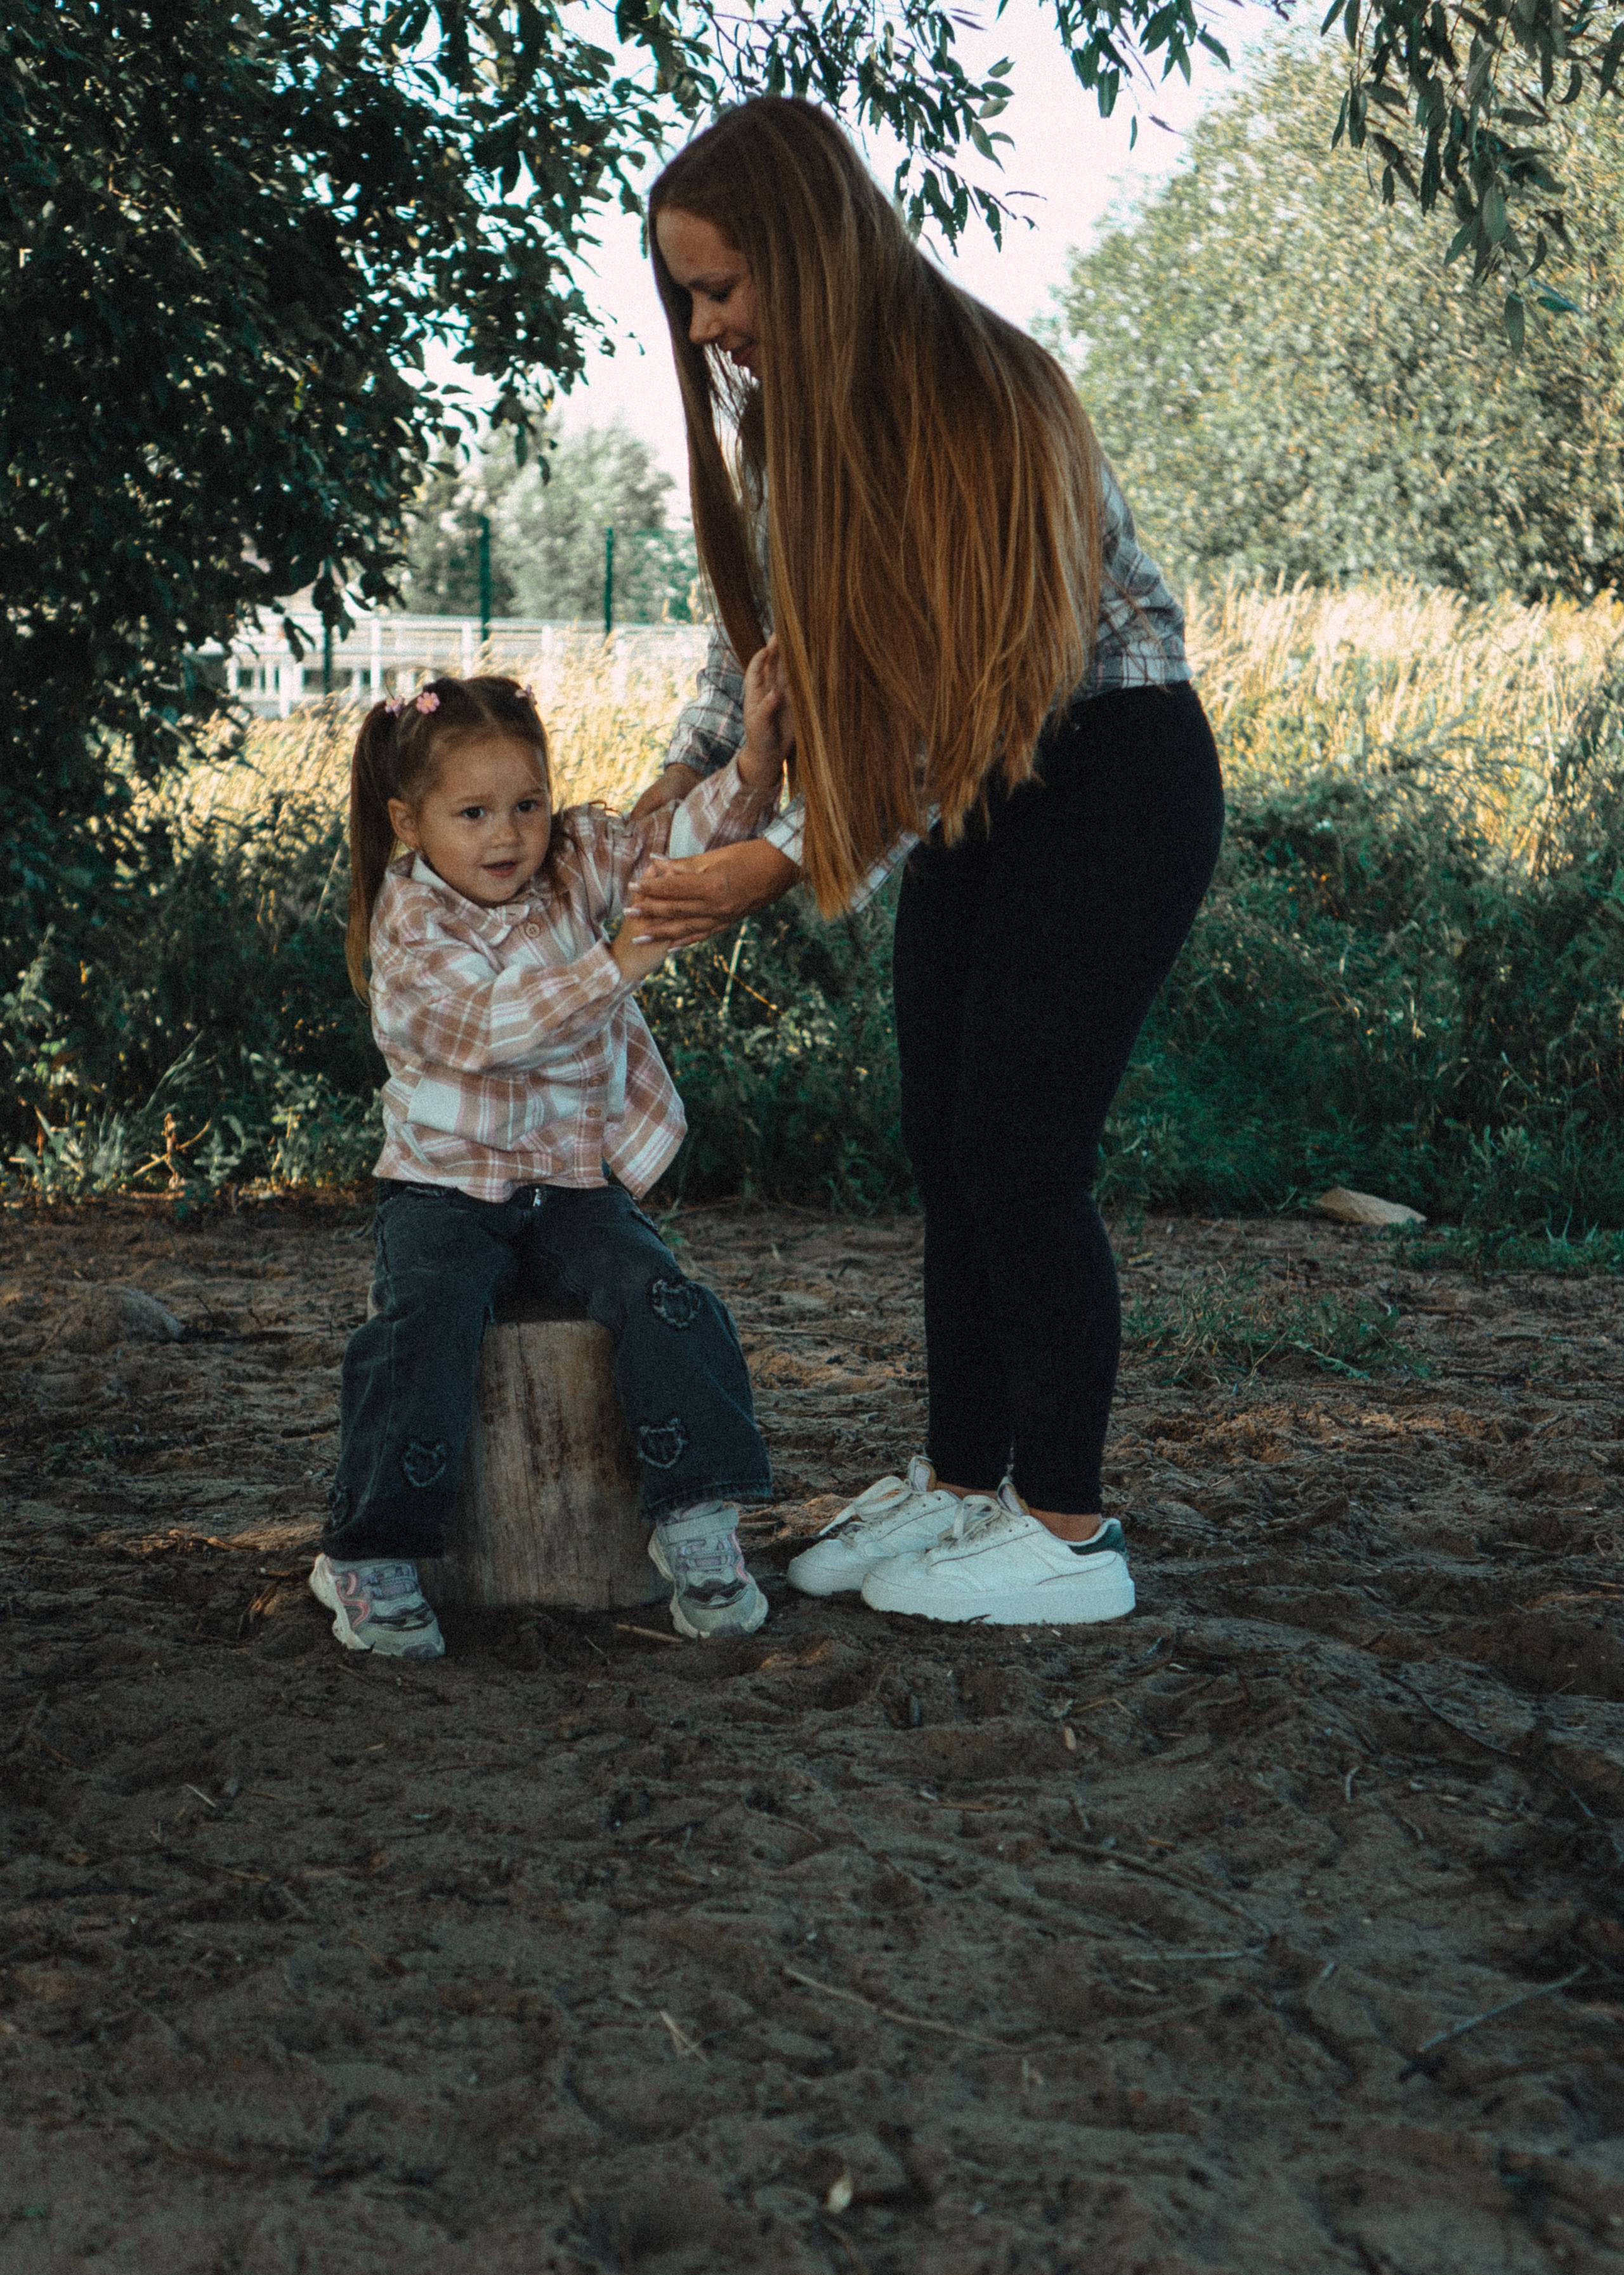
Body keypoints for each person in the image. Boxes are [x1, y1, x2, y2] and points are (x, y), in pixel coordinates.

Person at [625, 97, 1225, 1630]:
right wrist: (671, 796)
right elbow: (755, 656)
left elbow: (968, 695)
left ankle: (1069, 1532)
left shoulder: (981, 394)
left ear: (812, 255)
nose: (704, 331)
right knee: (946, 1146)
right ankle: (966, 1483)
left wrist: (785, 861)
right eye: (685, 297)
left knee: (1024, 1156)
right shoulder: (788, 428)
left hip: (1105, 777)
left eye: (723, 289)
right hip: (975, 798)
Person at [307, 659, 792, 1658]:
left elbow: (677, 844)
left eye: (527, 803)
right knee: (424, 1326)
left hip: (569, 1183)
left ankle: (698, 1523)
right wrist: (617, 965)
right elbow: (496, 1027)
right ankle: (370, 1549)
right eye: (474, 813)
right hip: (444, 1189)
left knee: (663, 1297)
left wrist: (754, 757)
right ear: (411, 824)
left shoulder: (572, 857)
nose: (510, 834)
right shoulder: (413, 923)